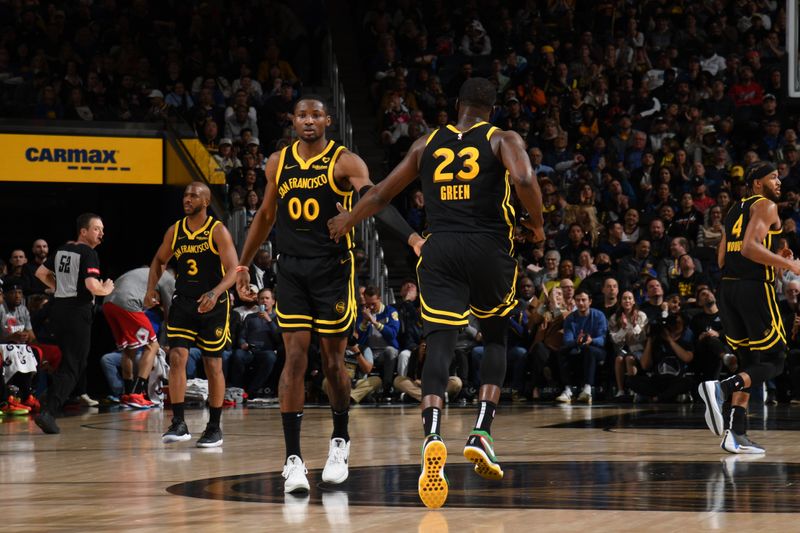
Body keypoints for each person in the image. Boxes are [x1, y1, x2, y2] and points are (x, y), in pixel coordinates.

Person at [328, 77, 544, 508]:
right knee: (496, 335)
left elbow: (381, 194)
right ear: (492, 108)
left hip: (440, 247)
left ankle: (432, 435)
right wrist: (537, 223)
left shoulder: (426, 143)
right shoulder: (502, 137)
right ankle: (482, 431)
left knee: (439, 342)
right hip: (488, 246)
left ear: (457, 104)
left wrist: (348, 220)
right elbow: (522, 176)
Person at [234, 95, 423, 493]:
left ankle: (340, 440)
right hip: (292, 269)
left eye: (315, 115)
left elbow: (376, 197)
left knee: (334, 362)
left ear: (328, 120)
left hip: (333, 269)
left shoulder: (345, 161)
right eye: (302, 115)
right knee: (295, 358)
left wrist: (411, 237)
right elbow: (266, 216)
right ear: (293, 121)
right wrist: (241, 264)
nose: (308, 120)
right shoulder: (277, 162)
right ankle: (293, 460)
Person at [699, 162, 800, 454]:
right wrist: (789, 263)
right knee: (775, 361)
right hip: (755, 289)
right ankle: (719, 389)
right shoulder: (766, 205)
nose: (779, 182)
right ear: (757, 183)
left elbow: (722, 258)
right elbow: (749, 249)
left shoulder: (733, 210)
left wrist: (776, 254)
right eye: (772, 177)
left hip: (729, 289)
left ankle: (736, 433)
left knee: (749, 363)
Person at [146, 182, 239, 448]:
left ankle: (214, 427)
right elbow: (159, 260)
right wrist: (151, 289)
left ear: (206, 201)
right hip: (184, 302)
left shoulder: (217, 231)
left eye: (193, 195)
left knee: (213, 365)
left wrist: (215, 292)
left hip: (214, 304)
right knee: (176, 357)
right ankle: (179, 422)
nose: (187, 199)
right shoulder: (175, 231)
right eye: (185, 195)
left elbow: (234, 269)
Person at [33, 213, 115, 434]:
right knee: (74, 365)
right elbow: (92, 285)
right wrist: (106, 289)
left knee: (68, 362)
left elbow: (40, 273)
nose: (101, 233)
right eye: (97, 228)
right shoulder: (88, 253)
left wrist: (58, 286)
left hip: (58, 311)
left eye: (102, 229)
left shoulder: (61, 250)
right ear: (83, 231)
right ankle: (48, 411)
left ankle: (48, 398)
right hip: (77, 314)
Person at [103, 266, 175, 408]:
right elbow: (169, 314)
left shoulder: (144, 273)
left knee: (129, 348)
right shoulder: (169, 279)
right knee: (152, 345)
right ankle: (137, 394)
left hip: (108, 302)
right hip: (127, 302)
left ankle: (128, 394)